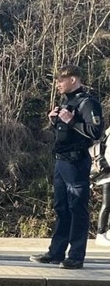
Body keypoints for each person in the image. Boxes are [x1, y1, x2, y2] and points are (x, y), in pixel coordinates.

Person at [30, 65, 104, 269]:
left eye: (60, 80)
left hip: (76, 161)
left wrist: (71, 121)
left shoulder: (87, 103)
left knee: (77, 207)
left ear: (73, 79)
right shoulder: (67, 102)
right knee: (61, 207)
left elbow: (95, 132)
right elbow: (67, 131)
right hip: (61, 160)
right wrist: (55, 122)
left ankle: (76, 256)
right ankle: (56, 252)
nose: (57, 84)